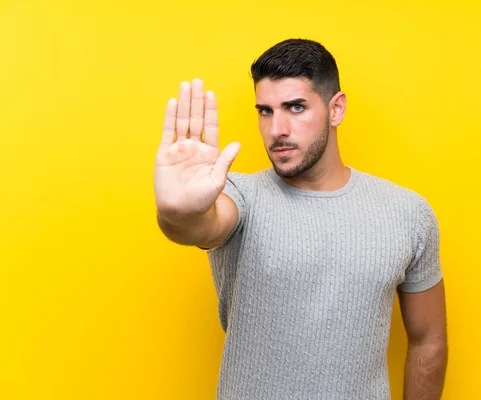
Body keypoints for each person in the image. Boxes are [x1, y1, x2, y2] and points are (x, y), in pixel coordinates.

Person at [154, 38, 448, 399]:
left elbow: (428, 340)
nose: (277, 128)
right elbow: (201, 224)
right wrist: (177, 211)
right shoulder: (239, 196)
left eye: (295, 107)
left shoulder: (408, 214)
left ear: (336, 109)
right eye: (265, 111)